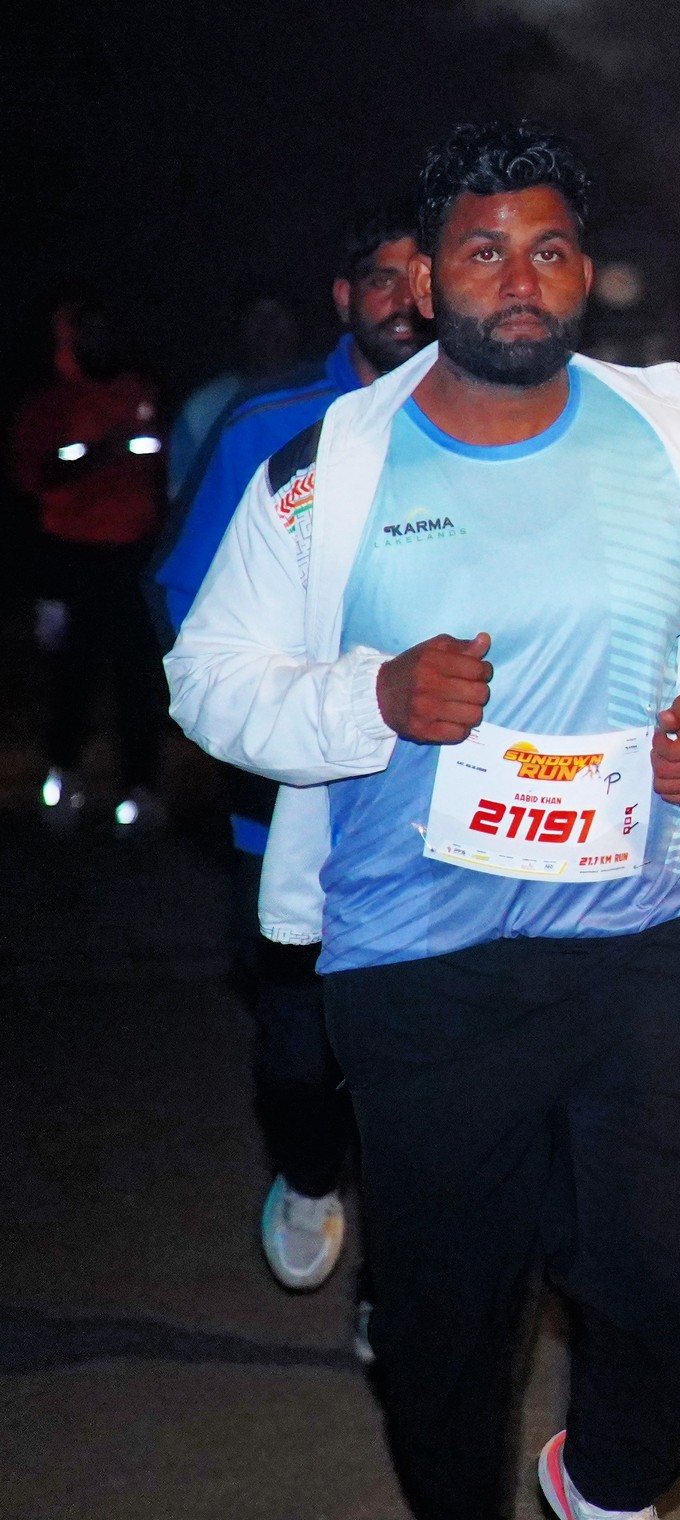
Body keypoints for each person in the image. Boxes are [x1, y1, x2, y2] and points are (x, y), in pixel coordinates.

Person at [166, 122, 680, 1520]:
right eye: (484, 251)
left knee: (679, 1264)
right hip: (418, 956)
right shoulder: (328, 469)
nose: (521, 280)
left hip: (640, 923)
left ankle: (607, 1482)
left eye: (550, 250)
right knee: (450, 1319)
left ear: (585, 272)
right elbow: (207, 679)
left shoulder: (672, 434)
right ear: (423, 280)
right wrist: (374, 696)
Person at [148, 199, 429, 1307]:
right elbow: (183, 593)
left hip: (444, 813)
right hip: (286, 811)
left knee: (428, 1070)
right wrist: (256, 728)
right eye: (382, 279)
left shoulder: (489, 413)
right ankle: (310, 1175)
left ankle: (400, 1293)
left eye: (424, 277)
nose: (405, 301)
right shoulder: (265, 424)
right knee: (300, 1053)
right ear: (344, 296)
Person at [10, 298, 168, 833]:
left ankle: (141, 791)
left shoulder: (142, 390)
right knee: (71, 677)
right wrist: (96, 454)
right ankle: (63, 784)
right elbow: (30, 477)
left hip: (134, 556)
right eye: (87, 332)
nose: (98, 341)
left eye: (105, 329)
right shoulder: (47, 404)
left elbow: (162, 462)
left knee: (137, 678)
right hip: (71, 558)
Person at [168, 294, 304, 501]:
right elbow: (181, 496)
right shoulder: (206, 406)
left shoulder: (326, 400)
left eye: (277, 316)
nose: (268, 328)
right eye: (258, 317)